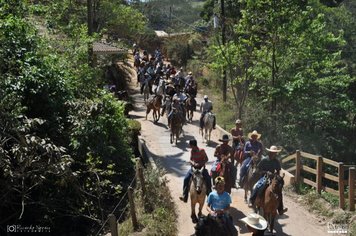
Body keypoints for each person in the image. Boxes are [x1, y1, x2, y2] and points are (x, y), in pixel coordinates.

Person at [249, 145, 288, 215]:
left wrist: (277, 176)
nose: (274, 154)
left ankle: (280, 209)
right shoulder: (264, 160)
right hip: (264, 177)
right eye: (273, 152)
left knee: (279, 191)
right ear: (269, 152)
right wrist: (266, 172)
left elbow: (278, 170)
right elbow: (258, 170)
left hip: (273, 177)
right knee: (258, 186)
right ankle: (252, 200)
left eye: (275, 153)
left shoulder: (276, 161)